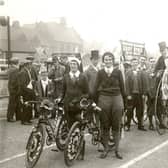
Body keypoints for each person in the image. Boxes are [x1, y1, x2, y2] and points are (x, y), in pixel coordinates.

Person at [93, 52, 125, 159]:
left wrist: (124, 103)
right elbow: (95, 87)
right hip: (104, 99)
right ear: (103, 61)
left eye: (110, 59)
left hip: (117, 98)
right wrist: (94, 102)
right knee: (105, 125)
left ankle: (117, 150)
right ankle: (106, 149)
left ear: (113, 61)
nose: (108, 61)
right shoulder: (100, 73)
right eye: (106, 59)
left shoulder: (118, 72)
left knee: (116, 125)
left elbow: (123, 87)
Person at [62, 57, 89, 128]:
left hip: (78, 105)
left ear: (78, 66)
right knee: (69, 125)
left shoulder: (83, 77)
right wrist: (60, 99)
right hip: (68, 105)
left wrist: (80, 99)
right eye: (71, 64)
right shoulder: (66, 76)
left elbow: (87, 93)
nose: (73, 66)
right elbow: (63, 91)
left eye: (74, 64)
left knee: (78, 125)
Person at [125, 57, 148, 131]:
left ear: (137, 63)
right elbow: (126, 85)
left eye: (136, 62)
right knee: (129, 110)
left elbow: (144, 83)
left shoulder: (141, 72)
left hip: (139, 95)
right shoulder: (128, 72)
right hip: (131, 95)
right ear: (131, 64)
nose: (134, 64)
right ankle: (127, 125)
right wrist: (128, 94)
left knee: (140, 110)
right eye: (133, 62)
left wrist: (144, 93)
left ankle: (140, 125)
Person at [19, 59, 36, 125]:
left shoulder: (27, 71)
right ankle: (24, 120)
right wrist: (28, 90)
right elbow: (23, 84)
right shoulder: (23, 72)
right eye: (30, 64)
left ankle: (28, 119)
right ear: (26, 65)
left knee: (29, 105)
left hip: (28, 91)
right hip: (25, 92)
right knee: (26, 106)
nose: (31, 66)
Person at [7, 57, 20, 122]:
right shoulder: (15, 70)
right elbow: (15, 80)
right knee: (13, 103)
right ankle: (11, 117)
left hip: (11, 88)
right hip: (14, 88)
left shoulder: (10, 69)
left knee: (13, 103)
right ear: (16, 62)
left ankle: (14, 116)